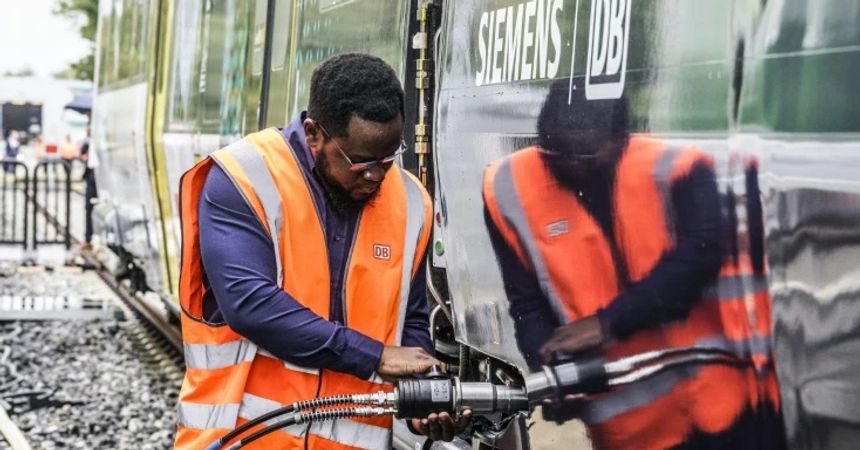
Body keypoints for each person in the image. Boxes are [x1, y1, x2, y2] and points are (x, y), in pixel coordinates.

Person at [175, 53, 470, 450]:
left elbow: (410, 322)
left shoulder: (411, 204)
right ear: (314, 133)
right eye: (361, 161)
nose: (377, 175)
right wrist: (375, 356)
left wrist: (422, 400)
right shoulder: (243, 178)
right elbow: (249, 303)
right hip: (243, 439)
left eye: (389, 157)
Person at [482, 82, 784, 449]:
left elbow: (701, 255)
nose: (574, 164)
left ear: (621, 139)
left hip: (724, 405)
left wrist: (609, 323)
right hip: (629, 430)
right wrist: (552, 377)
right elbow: (527, 305)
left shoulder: (677, 169)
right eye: (560, 153)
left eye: (588, 154)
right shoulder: (509, 189)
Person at [80, 129, 97, 249]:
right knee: (89, 208)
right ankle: (88, 238)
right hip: (92, 177)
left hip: (98, 177)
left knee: (90, 208)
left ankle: (92, 238)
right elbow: (82, 152)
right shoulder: (89, 143)